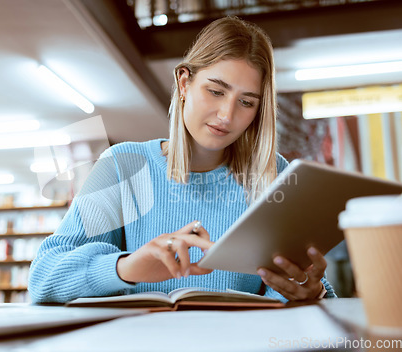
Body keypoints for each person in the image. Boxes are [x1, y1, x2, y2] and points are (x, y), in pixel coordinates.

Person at [28, 16, 335, 303]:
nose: (227, 115)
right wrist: (127, 267)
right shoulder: (122, 165)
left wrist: (312, 291)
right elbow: (43, 278)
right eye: (215, 91)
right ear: (184, 82)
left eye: (246, 102)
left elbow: (308, 290)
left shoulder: (274, 175)